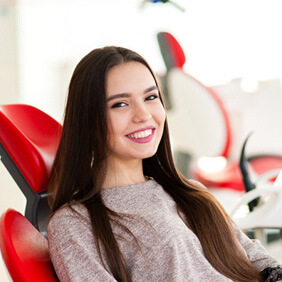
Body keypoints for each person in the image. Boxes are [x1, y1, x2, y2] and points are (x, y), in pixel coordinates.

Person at [47, 46, 282, 282]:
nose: (144, 115)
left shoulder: (191, 192)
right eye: (120, 104)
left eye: (151, 97)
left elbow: (260, 262)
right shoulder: (74, 224)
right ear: (88, 121)